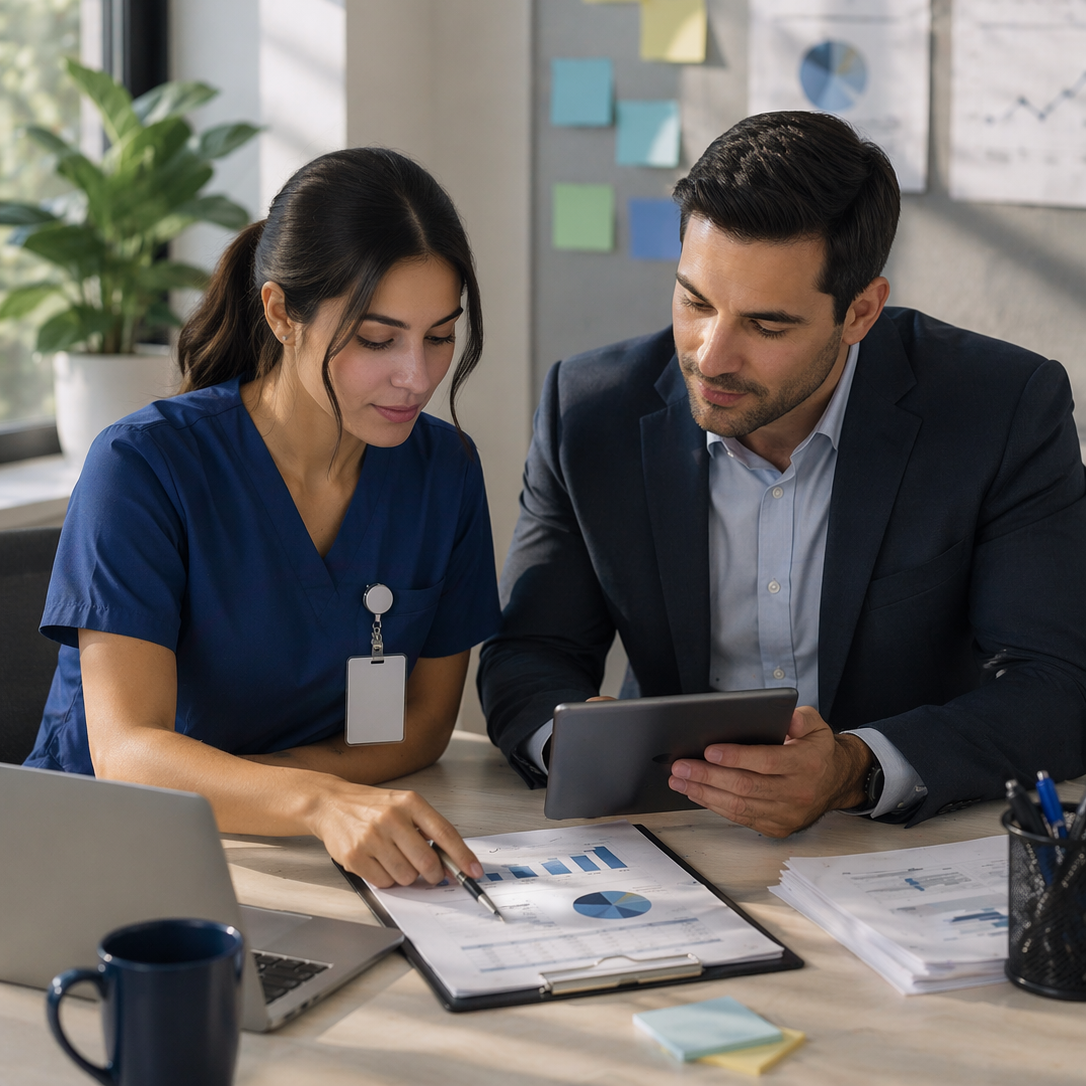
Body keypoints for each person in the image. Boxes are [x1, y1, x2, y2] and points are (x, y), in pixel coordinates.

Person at [478, 111, 1086, 835]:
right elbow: (529, 653)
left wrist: (857, 769)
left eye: (766, 326)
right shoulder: (588, 412)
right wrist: (580, 744)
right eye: (694, 302)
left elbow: (1056, 685)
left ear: (860, 312)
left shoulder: (1002, 409)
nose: (712, 354)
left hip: (896, 840)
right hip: (669, 834)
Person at [27, 148, 501, 888]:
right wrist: (316, 799)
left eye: (439, 336)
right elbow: (128, 754)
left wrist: (271, 793)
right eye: (378, 340)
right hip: (98, 854)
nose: (417, 376)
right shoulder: (144, 468)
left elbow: (423, 722)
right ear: (281, 313)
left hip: (284, 849)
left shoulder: (445, 473)